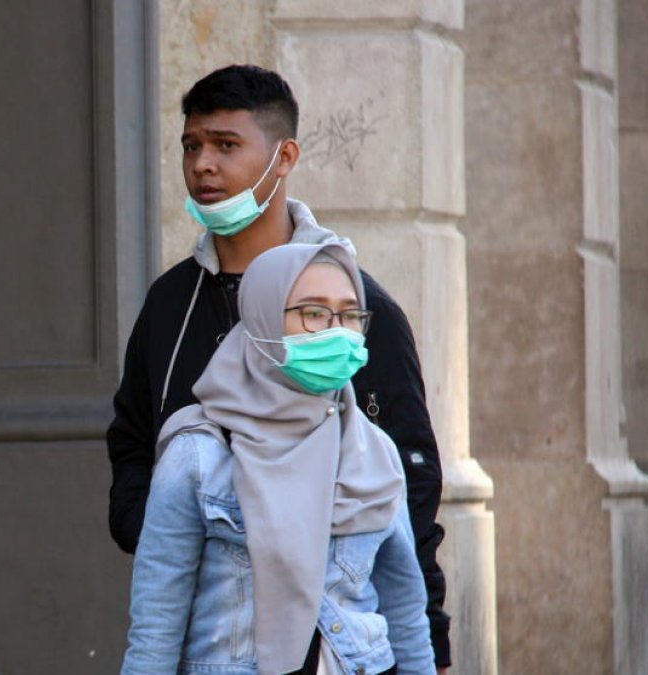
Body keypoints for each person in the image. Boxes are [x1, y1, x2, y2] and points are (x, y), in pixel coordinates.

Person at [106, 64, 451, 670]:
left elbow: (408, 485)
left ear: (284, 156)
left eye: (226, 145)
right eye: (192, 145)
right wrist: (169, 532)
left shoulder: (359, 313)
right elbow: (134, 439)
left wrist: (431, 643)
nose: (203, 165)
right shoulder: (169, 303)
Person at [121, 243, 433, 675]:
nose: (336, 332)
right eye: (314, 313)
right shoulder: (198, 456)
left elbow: (406, 612)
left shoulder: (373, 450)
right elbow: (156, 631)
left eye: (349, 315)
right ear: (264, 318)